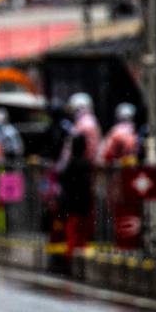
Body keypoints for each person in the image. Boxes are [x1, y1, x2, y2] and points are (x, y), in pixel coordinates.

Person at [56, 92, 101, 255]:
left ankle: (74, 251)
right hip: (84, 179)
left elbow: (67, 154)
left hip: (78, 182)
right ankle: (78, 249)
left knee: (75, 218)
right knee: (81, 217)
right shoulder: (89, 124)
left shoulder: (83, 126)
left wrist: (61, 169)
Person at [100, 102, 140, 167]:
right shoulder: (133, 132)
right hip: (128, 167)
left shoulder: (116, 131)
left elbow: (106, 152)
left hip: (119, 168)